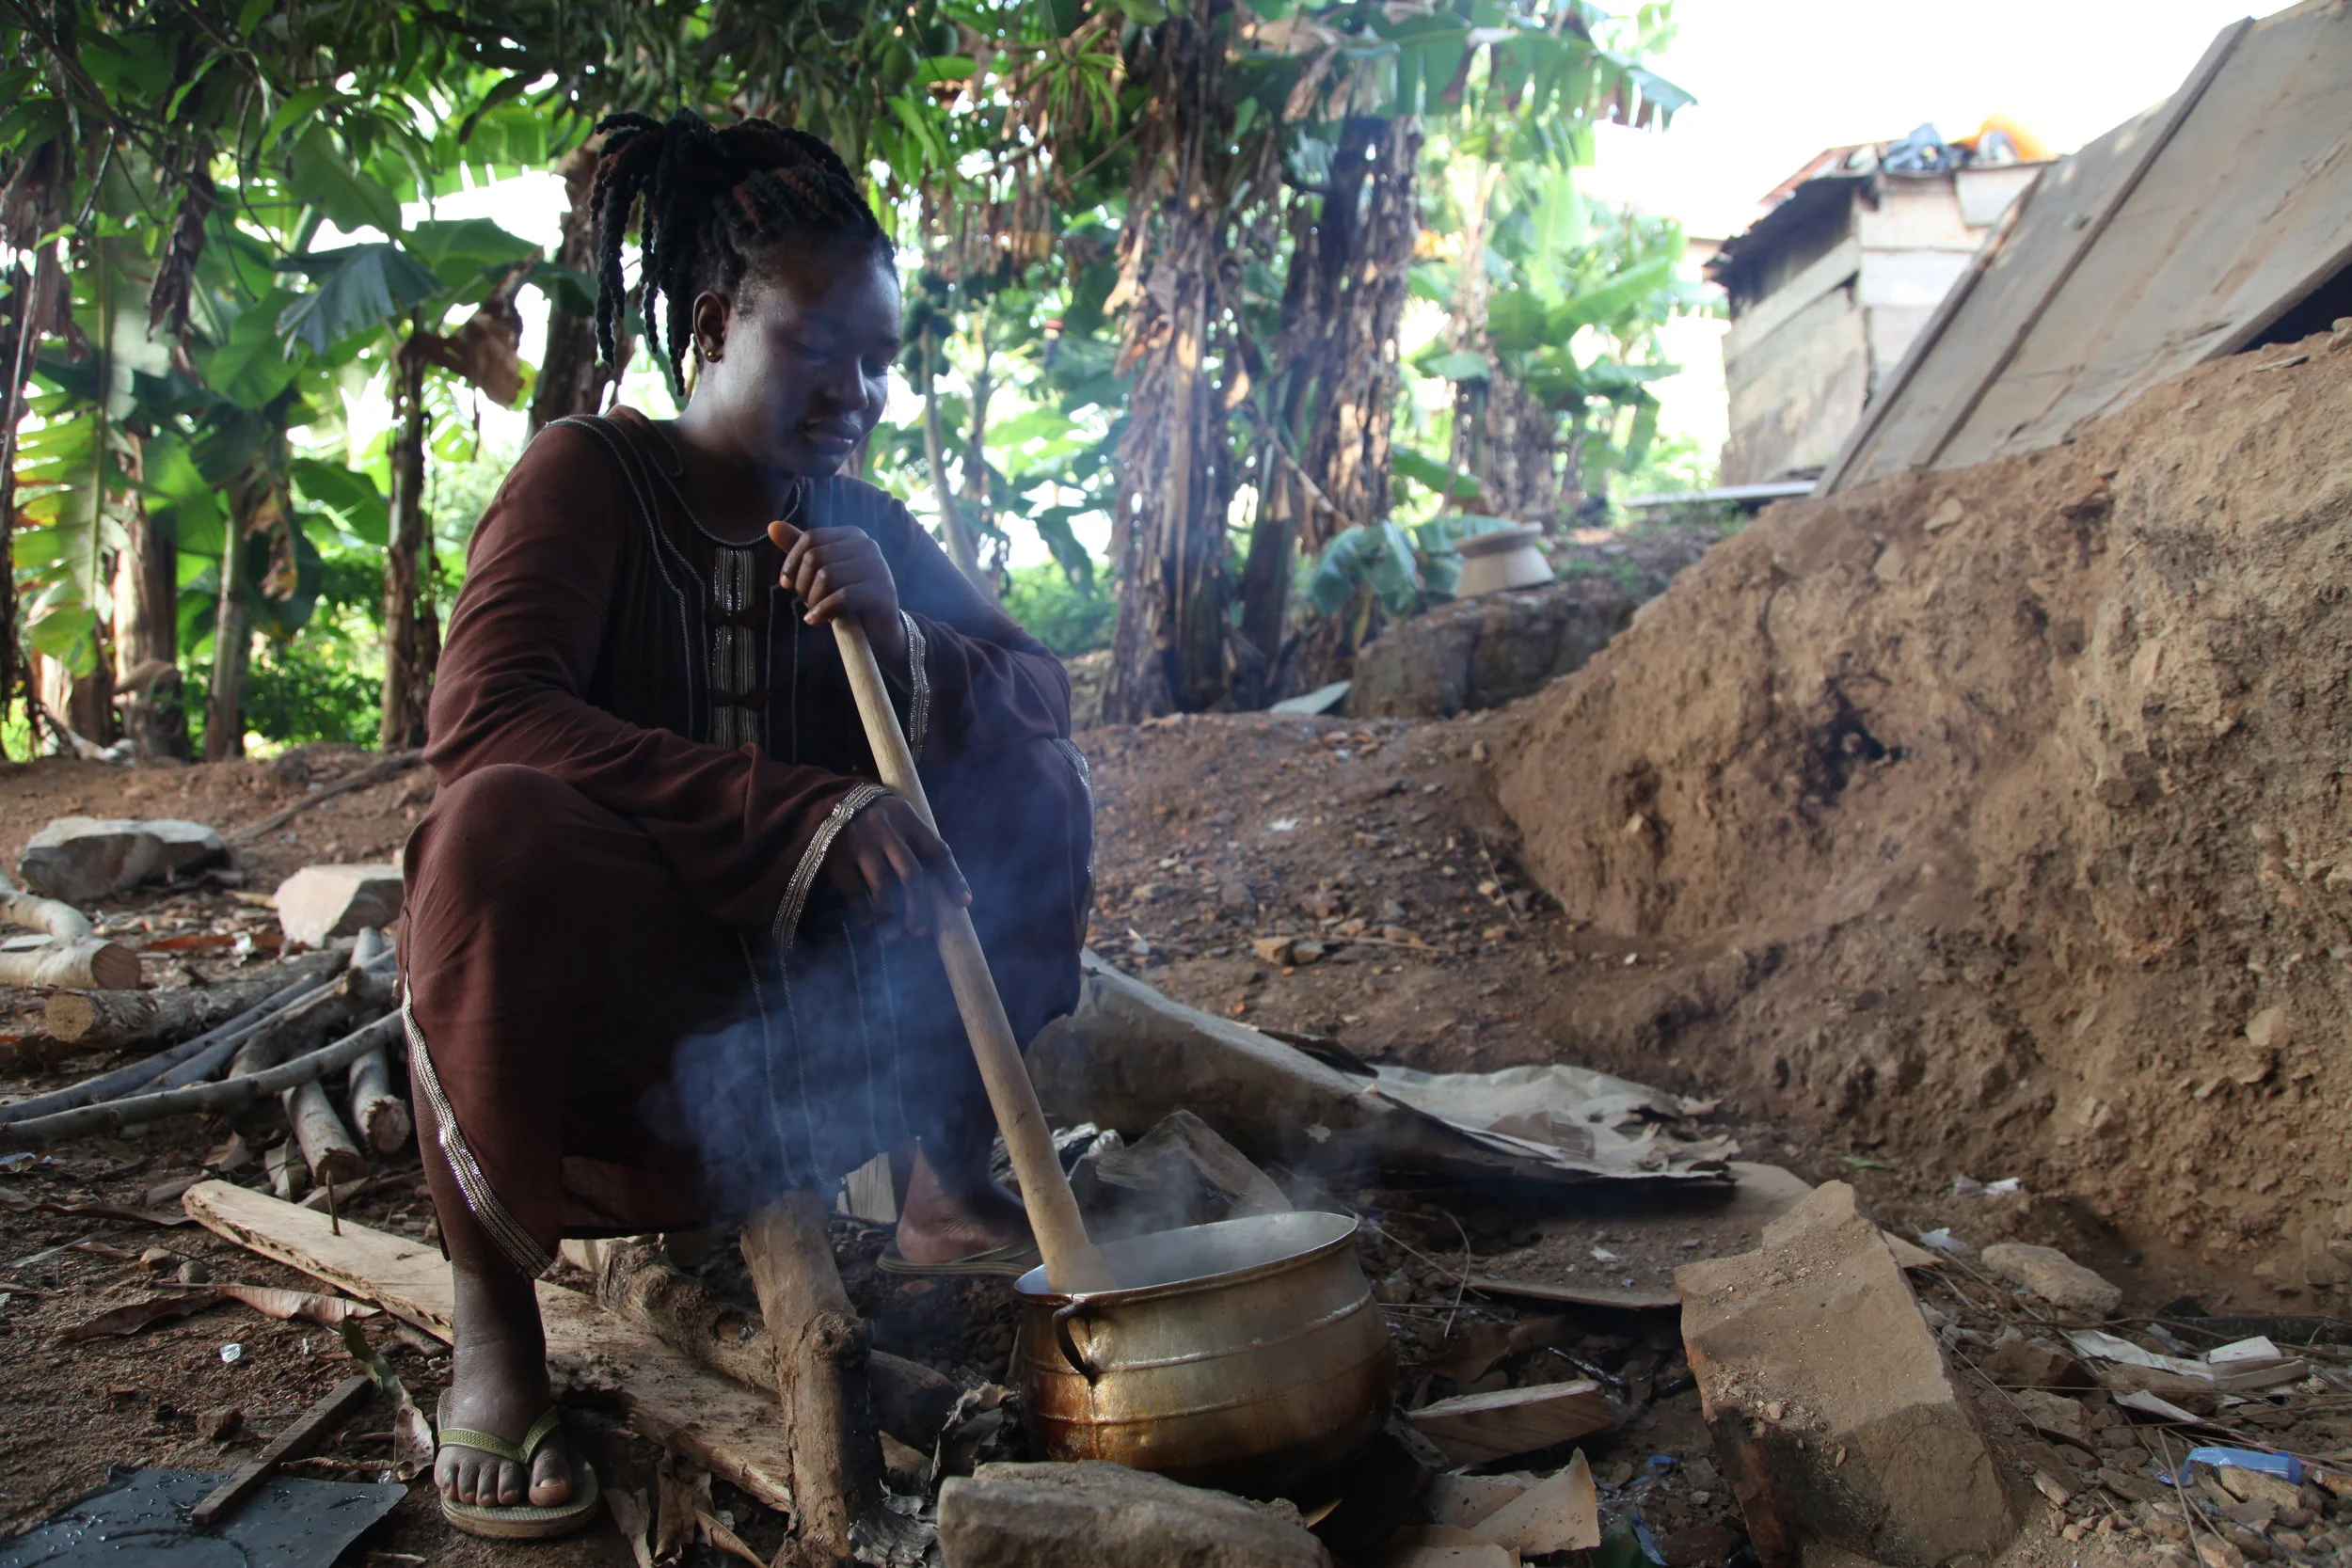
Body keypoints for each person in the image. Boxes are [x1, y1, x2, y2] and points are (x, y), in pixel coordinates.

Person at [400, 109, 1093, 1540]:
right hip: (650, 1020)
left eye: (883, 362)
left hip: (828, 1019)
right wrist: (793, 813)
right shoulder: (583, 479)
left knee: (1034, 778)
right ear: (714, 323)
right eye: (822, 348)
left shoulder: (863, 521)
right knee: (489, 840)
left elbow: (1040, 689)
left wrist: (905, 638)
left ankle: (942, 1186)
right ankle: (493, 1321)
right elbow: (484, 724)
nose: (859, 390)